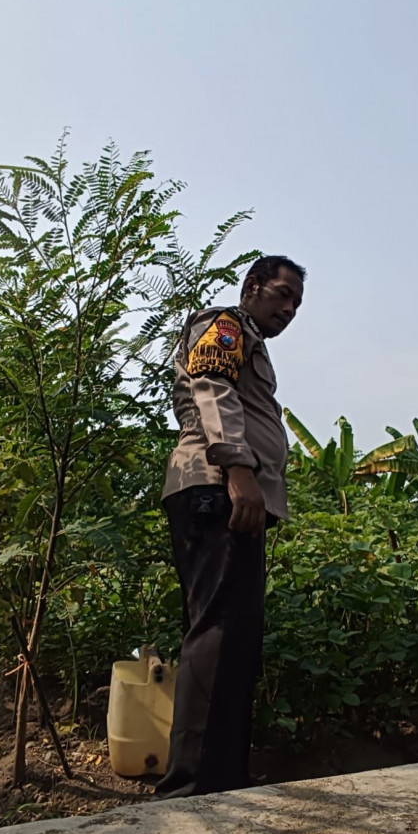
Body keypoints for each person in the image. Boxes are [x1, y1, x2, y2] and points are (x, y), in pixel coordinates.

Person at [155, 255, 306, 798]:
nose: (288, 308)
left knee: (235, 635)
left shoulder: (251, 342)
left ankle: (222, 776)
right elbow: (213, 389)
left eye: (296, 302)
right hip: (217, 485)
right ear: (253, 287)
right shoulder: (224, 325)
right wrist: (238, 471)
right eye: (281, 294)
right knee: (217, 631)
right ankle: (192, 784)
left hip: (236, 492)